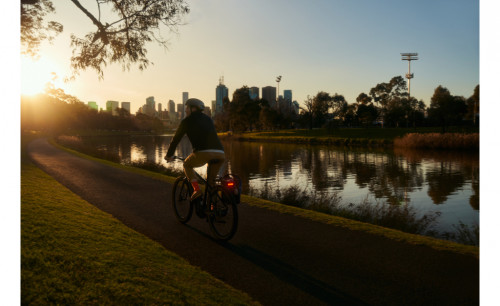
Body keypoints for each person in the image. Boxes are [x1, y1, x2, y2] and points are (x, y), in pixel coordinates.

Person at [165, 98, 225, 201]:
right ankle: (213, 208)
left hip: (203, 152)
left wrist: (169, 155)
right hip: (220, 153)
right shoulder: (208, 119)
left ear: (193, 109)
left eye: (187, 108)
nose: (185, 110)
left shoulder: (186, 121)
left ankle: (196, 190)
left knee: (187, 165)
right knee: (211, 182)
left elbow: (175, 140)